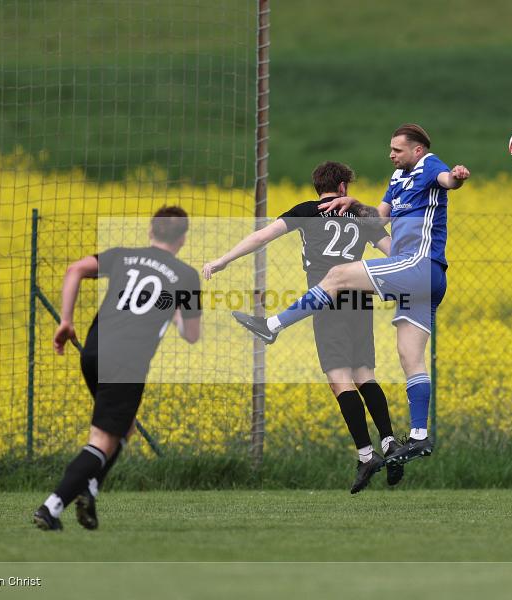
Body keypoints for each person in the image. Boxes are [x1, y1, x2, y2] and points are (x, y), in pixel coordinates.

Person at [232, 124, 470, 466]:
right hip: (422, 279)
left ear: (417, 150)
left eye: (397, 150)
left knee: (338, 275)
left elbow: (448, 181)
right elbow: (380, 219)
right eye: (390, 149)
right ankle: (419, 437)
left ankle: (272, 325)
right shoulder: (396, 180)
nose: (391, 154)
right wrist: (356, 203)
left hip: (418, 265)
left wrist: (458, 177)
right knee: (409, 357)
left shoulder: (430, 165)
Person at [205, 161, 403, 493]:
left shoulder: (307, 211)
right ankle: (389, 442)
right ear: (342, 188)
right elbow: (394, 252)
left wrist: (224, 260)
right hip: (359, 301)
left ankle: (367, 455)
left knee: (339, 379)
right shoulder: (358, 215)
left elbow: (262, 236)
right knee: (364, 373)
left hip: (324, 301)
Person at [32, 206, 202, 531]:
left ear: (151, 232)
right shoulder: (185, 275)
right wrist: (178, 313)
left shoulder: (123, 256)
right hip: (126, 360)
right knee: (102, 440)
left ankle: (90, 489)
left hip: (94, 351)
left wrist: (66, 321)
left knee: (124, 429)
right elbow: (192, 336)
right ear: (182, 238)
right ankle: (52, 506)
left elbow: (74, 269)